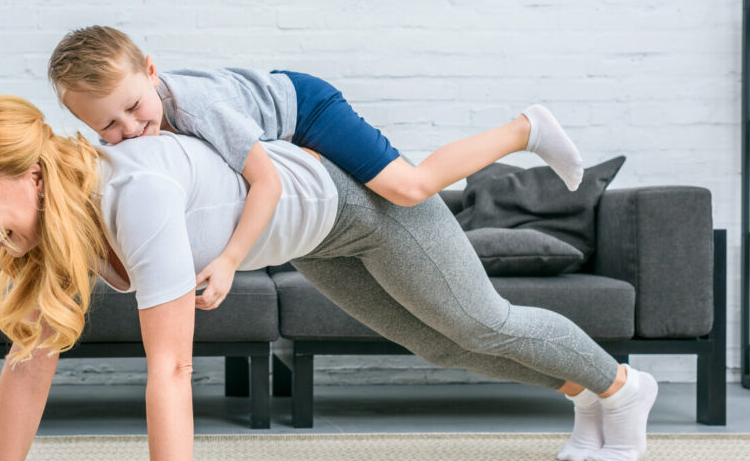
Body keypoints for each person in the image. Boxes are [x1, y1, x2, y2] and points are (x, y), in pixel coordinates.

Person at [0, 95, 658, 461]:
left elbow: (169, 371)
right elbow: (30, 359)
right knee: (438, 343)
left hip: (361, 205)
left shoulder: (136, 196)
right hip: (311, 235)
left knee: (478, 320)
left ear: (31, 174)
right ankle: (588, 389)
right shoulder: (61, 217)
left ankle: (622, 386)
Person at [47, 26, 585, 310]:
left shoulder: (196, 105)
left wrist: (231, 260)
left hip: (303, 106)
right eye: (107, 127)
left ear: (151, 72)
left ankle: (524, 128)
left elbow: (268, 181)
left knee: (409, 187)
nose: (130, 129)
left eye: (134, 108)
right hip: (280, 128)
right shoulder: (142, 123)